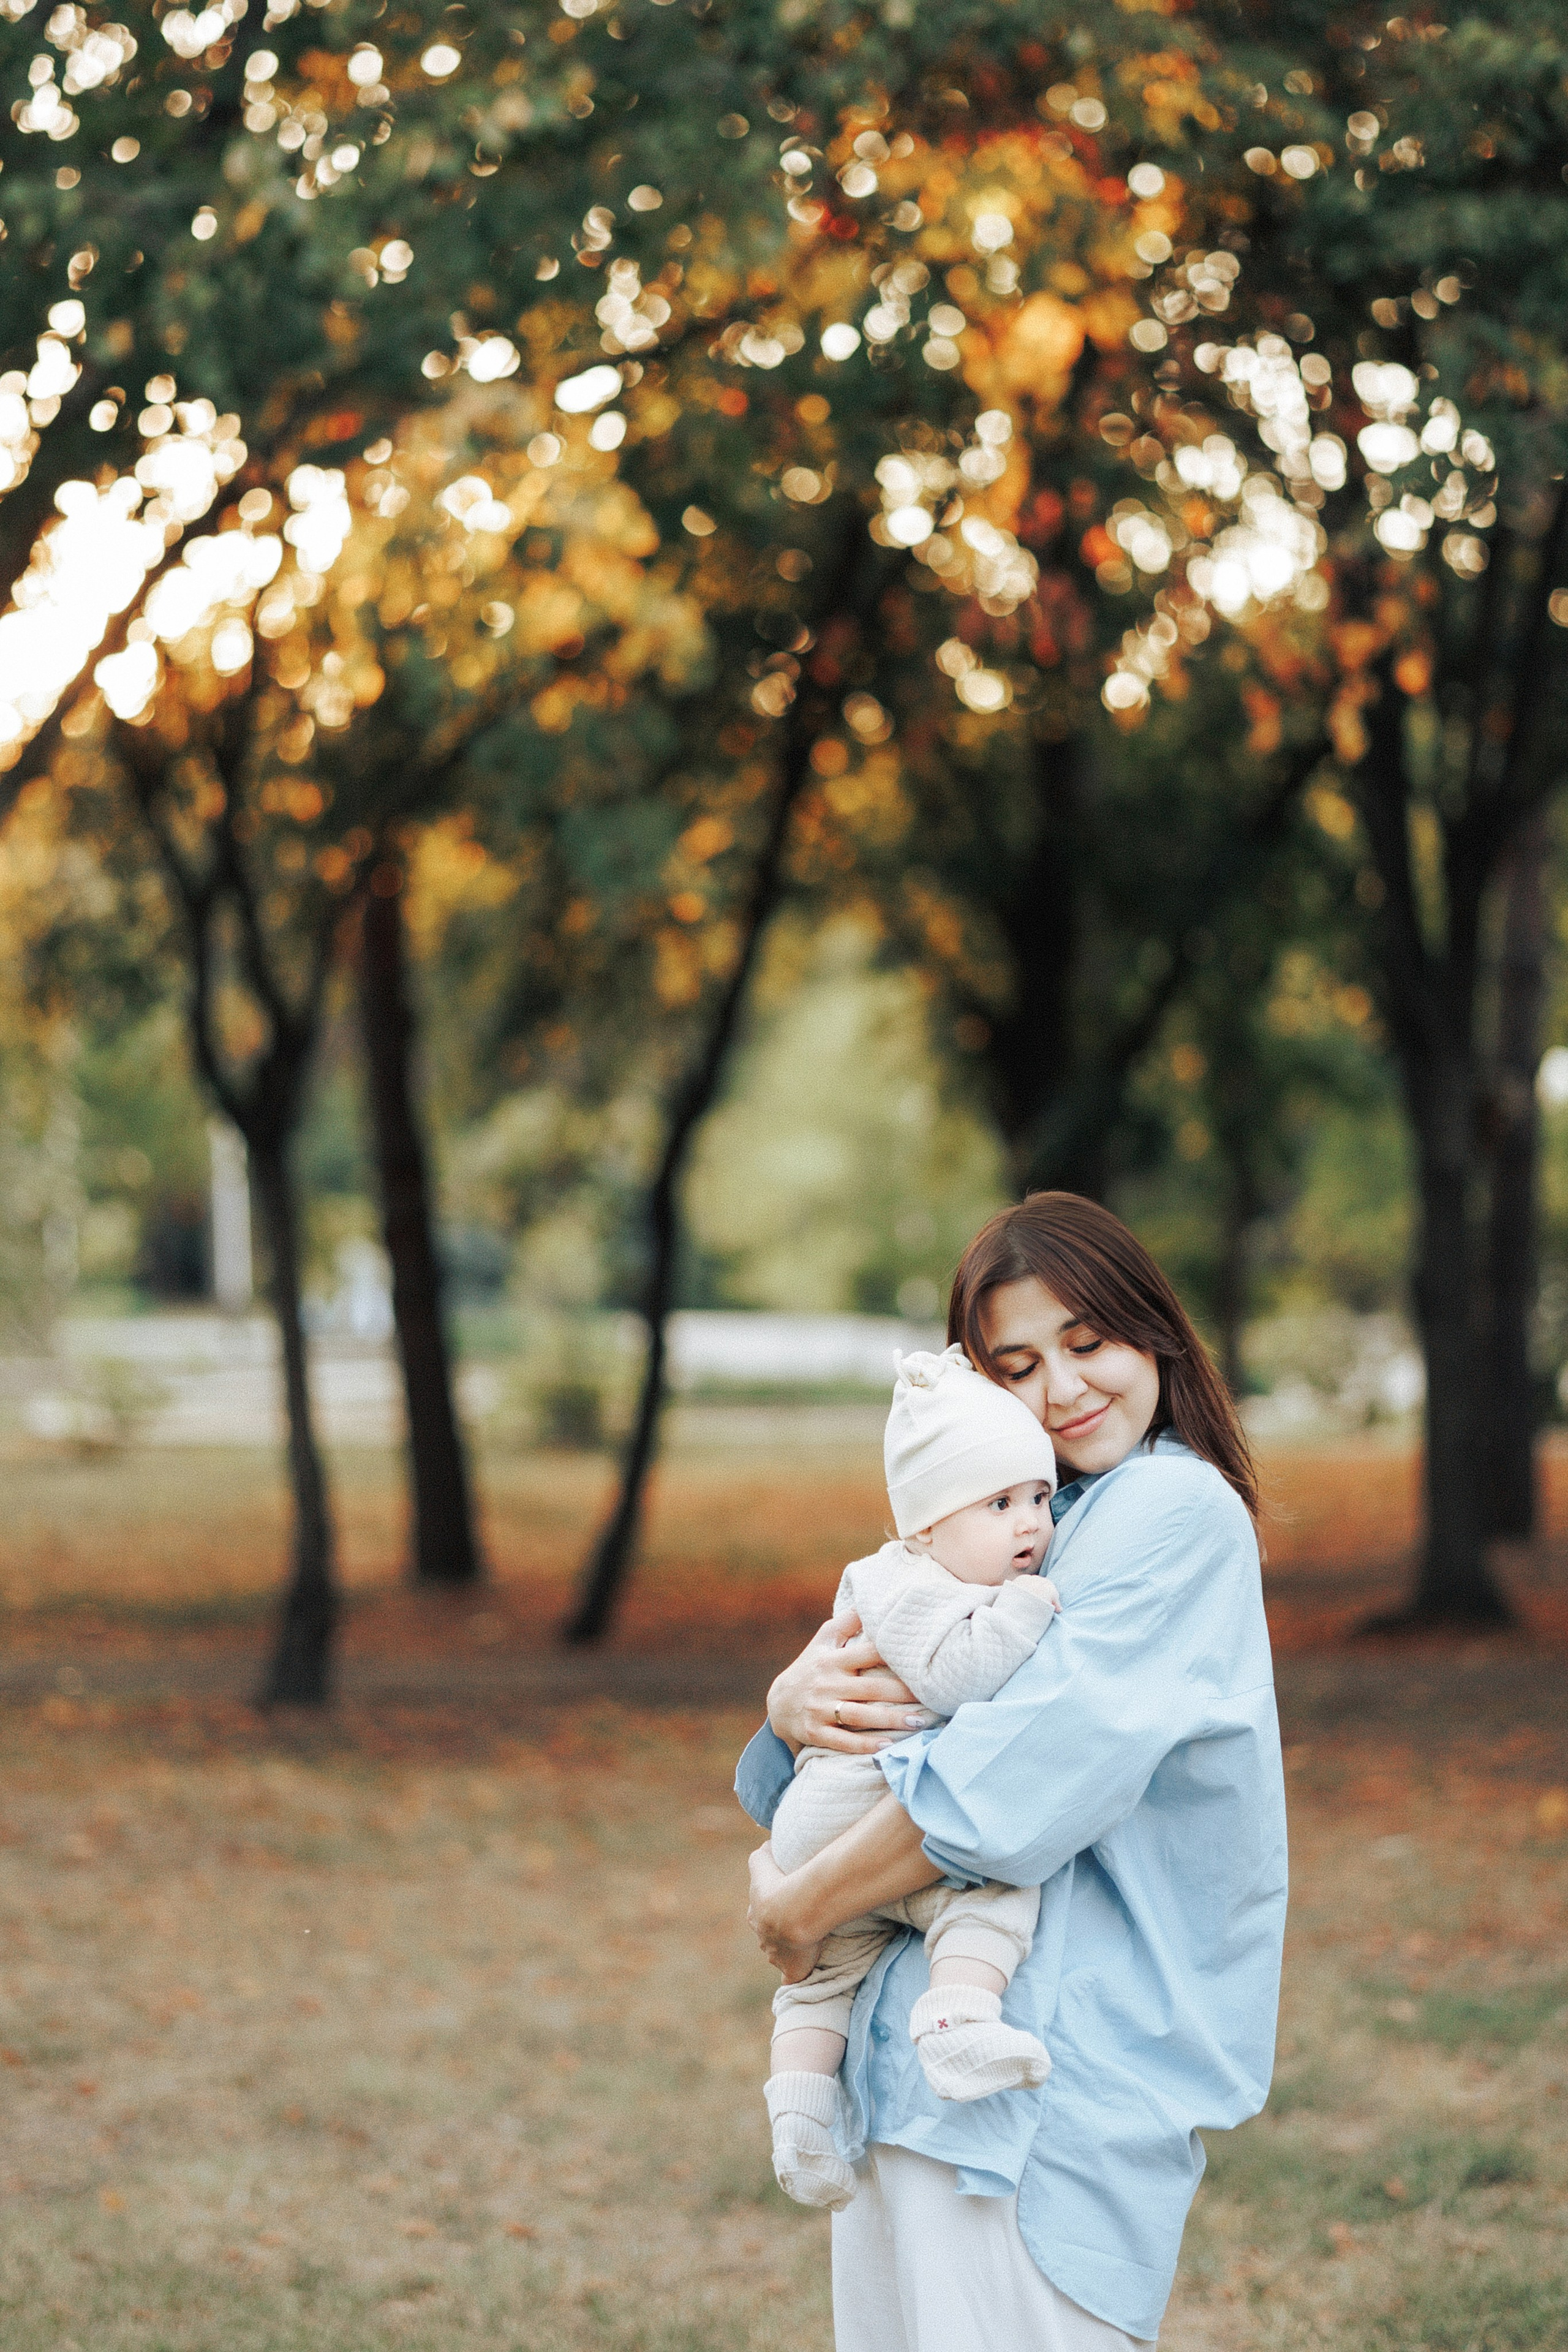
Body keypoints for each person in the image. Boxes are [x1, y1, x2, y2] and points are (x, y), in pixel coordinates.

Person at [737, 1193, 1288, 2350]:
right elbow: (856, 1742)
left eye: (1089, 1343)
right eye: (1019, 1367)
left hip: (1044, 2086)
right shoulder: (1021, 1522)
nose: (1064, 1389)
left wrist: (802, 1907)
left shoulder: (1172, 1510)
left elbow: (1004, 1788)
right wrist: (787, 1713)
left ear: (1154, 1333)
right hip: (917, 2073)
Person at [767, 1343, 1061, 2213]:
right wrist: (1027, 1611)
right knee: (995, 1888)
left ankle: (800, 2121)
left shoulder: (935, 1570)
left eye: (1039, 1498)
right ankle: (957, 2020)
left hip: (827, 1828)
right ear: (925, 1526)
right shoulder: (904, 1581)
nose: (1031, 1526)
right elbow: (956, 1679)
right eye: (1000, 1504)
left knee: (823, 1981)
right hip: (859, 1807)